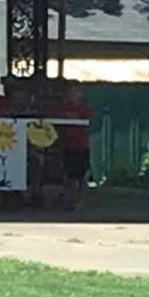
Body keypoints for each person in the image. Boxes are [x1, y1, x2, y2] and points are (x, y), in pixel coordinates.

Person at [56, 81, 92, 210]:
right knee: (68, 177)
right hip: (67, 147)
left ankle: (80, 202)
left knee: (82, 177)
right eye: (70, 91)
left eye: (76, 91)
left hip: (81, 146)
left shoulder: (84, 109)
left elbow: (88, 126)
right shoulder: (62, 109)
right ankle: (69, 200)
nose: (73, 94)